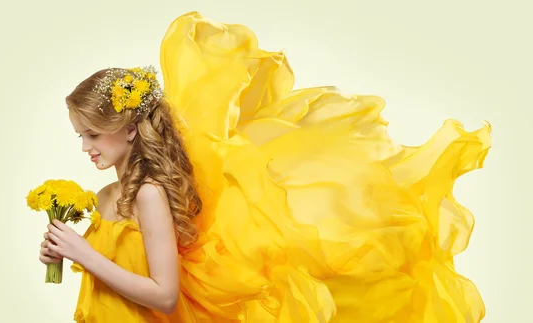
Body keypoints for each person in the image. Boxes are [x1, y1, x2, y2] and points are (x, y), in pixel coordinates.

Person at [39, 11, 490, 323]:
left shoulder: (151, 194)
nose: (85, 147)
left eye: (94, 134)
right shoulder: (104, 198)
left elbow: (164, 293)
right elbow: (119, 276)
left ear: (131, 129)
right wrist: (67, 254)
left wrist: (86, 254)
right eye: (80, 135)